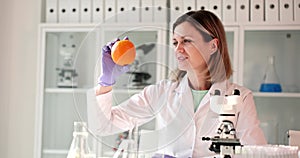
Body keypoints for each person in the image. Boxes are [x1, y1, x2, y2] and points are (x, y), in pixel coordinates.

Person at [87, 10, 267, 157]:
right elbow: (103, 126)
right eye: (175, 42)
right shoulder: (161, 93)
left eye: (186, 41)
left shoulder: (240, 98)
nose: (178, 49)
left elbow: (258, 154)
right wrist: (106, 81)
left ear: (213, 46)